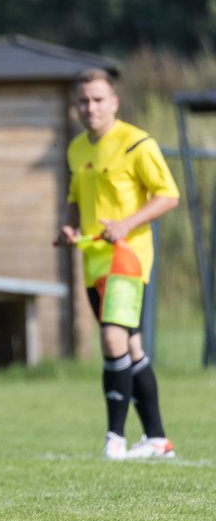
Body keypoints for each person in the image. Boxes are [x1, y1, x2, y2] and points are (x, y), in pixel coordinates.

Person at [55, 69, 180, 460]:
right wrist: (70, 226)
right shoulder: (77, 149)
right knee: (130, 346)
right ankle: (158, 440)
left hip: (128, 256)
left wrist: (126, 224)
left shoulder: (136, 143)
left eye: (97, 99)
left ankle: (115, 438)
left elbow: (168, 195)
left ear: (114, 102)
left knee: (111, 339)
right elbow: (77, 196)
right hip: (93, 260)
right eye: (83, 101)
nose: (89, 107)